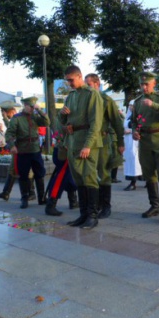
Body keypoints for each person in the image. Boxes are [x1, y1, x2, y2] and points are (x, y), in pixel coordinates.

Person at [59, 65, 103, 229]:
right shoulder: (70, 96)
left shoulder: (91, 94)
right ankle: (83, 215)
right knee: (79, 179)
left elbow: (96, 123)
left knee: (89, 177)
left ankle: (92, 216)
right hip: (73, 141)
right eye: (67, 80)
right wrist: (62, 115)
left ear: (79, 76)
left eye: (71, 80)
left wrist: (88, 145)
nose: (69, 83)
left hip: (87, 142)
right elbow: (62, 121)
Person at [132, 72, 159, 223]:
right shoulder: (137, 102)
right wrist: (134, 131)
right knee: (149, 174)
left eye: (147, 84)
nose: (144, 87)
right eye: (142, 84)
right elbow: (134, 121)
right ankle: (155, 206)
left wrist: (154, 105)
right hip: (145, 141)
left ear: (154, 83)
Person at [85, 73, 125, 219]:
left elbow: (116, 122)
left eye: (89, 85)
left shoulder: (105, 100)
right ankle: (94, 205)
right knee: (89, 173)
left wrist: (120, 142)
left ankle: (106, 206)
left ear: (97, 84)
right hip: (88, 142)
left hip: (103, 141)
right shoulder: (85, 99)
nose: (87, 88)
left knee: (104, 173)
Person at [5, 96, 50, 209]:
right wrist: (12, 145)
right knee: (23, 175)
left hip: (35, 150)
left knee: (39, 174)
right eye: (30, 107)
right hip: (23, 151)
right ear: (25, 106)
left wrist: (39, 110)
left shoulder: (35, 117)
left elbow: (47, 122)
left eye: (33, 107)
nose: (31, 109)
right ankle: (24, 198)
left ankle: (42, 198)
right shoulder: (17, 118)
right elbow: (9, 134)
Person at [0, 100, 36, 203]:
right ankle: (6, 193)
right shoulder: (15, 117)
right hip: (18, 148)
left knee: (28, 171)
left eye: (4, 112)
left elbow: (11, 128)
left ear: (9, 111)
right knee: (12, 170)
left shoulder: (18, 117)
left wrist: (5, 118)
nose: (3, 114)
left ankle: (31, 193)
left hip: (24, 148)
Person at [44, 118, 79, 216]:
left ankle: (73, 201)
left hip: (68, 149)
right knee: (60, 178)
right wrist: (65, 144)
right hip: (64, 151)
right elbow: (60, 132)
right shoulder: (64, 115)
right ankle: (51, 205)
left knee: (70, 177)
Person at [123, 100, 143, 191]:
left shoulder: (140, 116)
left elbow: (141, 126)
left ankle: (134, 182)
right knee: (130, 160)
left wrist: (130, 131)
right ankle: (133, 180)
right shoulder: (128, 116)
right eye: (130, 105)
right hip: (128, 142)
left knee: (136, 160)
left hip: (136, 141)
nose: (131, 107)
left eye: (133, 105)